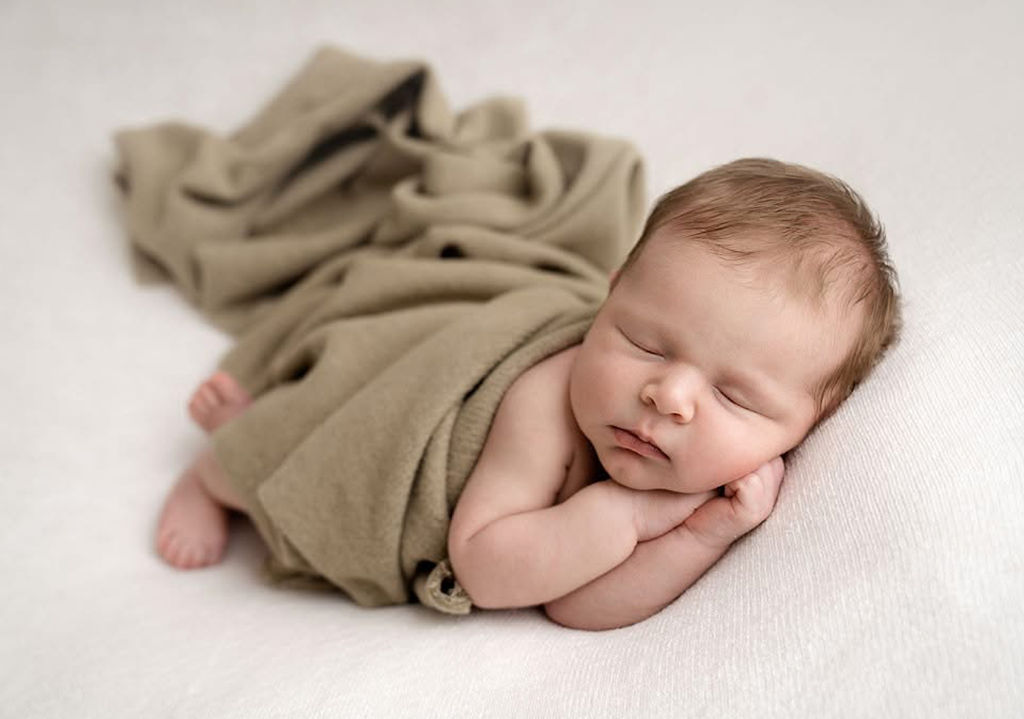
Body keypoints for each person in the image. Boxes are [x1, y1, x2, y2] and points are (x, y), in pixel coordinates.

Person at [155, 158, 901, 630]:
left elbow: (577, 604)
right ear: (610, 299)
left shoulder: (716, 485)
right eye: (644, 341)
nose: (667, 394)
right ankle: (217, 467)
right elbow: (484, 563)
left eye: (736, 396)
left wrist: (699, 534)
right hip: (408, 416)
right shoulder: (546, 403)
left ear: (808, 424)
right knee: (294, 447)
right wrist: (629, 510)